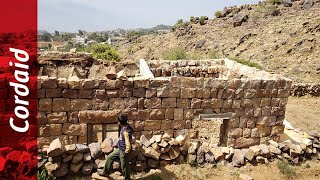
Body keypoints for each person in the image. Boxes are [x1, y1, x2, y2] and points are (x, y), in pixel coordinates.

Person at [99, 114, 134, 180]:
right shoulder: (126, 126)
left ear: (120, 122)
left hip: (124, 151)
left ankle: (127, 178)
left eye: (118, 121)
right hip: (120, 149)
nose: (117, 122)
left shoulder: (125, 132)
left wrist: (125, 152)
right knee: (110, 157)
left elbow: (128, 143)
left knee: (124, 166)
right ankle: (106, 172)